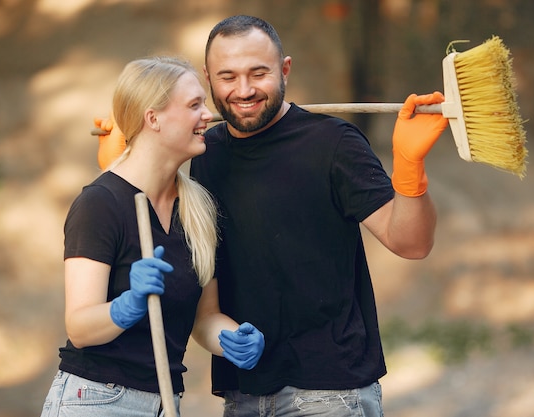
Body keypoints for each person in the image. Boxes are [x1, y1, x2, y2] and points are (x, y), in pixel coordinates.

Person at [95, 15, 447, 417]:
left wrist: (409, 165)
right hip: (243, 394)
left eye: (258, 73)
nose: (244, 91)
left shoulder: (333, 144)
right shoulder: (203, 153)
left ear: (285, 70)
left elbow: (413, 243)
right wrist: (129, 155)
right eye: (228, 77)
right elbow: (160, 232)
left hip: (329, 391)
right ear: (208, 78)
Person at [40, 56, 264, 417]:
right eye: (194, 105)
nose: (208, 115)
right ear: (153, 118)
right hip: (97, 400)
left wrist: (232, 338)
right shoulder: (100, 204)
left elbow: (205, 319)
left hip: (164, 403)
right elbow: (79, 327)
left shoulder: (198, 210)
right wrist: (128, 305)